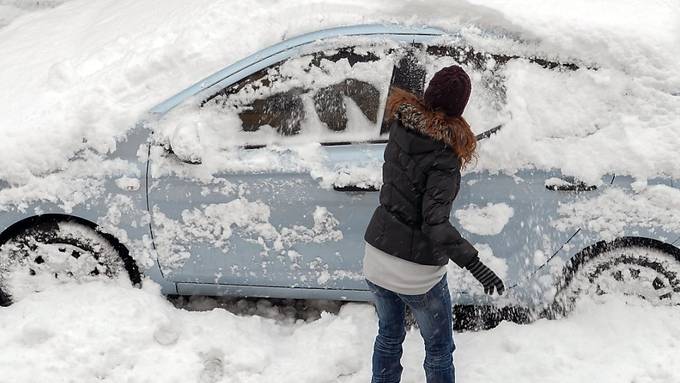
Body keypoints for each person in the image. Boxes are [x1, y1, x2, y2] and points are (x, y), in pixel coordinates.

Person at [363, 65, 505, 383]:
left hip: (376, 257)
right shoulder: (444, 156)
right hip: (416, 272)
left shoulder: (401, 127)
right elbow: (435, 224)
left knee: (388, 336)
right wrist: (475, 264)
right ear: (460, 108)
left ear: (428, 94)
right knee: (439, 349)